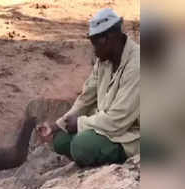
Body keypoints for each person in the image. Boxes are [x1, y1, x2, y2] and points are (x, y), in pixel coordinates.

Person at [36, 8, 140, 167]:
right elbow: (86, 98)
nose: (94, 50)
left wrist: (80, 124)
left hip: (132, 134)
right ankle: (96, 152)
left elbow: (118, 120)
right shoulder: (105, 60)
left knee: (81, 145)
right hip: (109, 125)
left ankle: (115, 160)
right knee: (60, 140)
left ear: (111, 38)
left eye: (96, 43)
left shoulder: (137, 66)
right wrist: (59, 125)